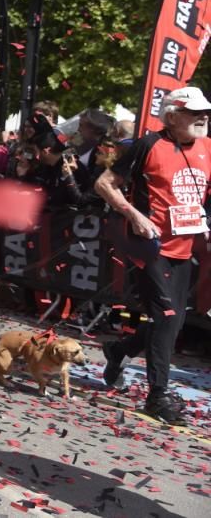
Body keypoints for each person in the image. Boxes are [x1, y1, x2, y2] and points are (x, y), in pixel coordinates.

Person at [95, 87, 210, 426]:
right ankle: (157, 396)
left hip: (185, 248)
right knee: (167, 317)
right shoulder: (147, 146)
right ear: (172, 116)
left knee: (170, 322)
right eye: (194, 112)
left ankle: (118, 351)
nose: (203, 117)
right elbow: (104, 184)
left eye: (206, 111)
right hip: (151, 249)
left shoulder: (207, 147)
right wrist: (135, 215)